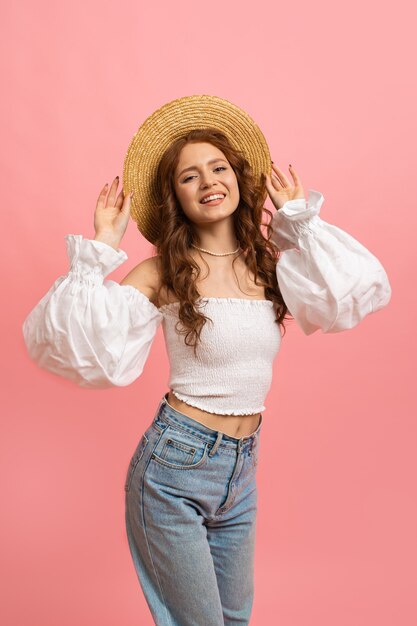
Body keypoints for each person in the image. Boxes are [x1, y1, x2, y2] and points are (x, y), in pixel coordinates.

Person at [22, 95, 392, 626]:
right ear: (175, 197)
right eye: (188, 176)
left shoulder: (271, 265)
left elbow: (356, 292)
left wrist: (299, 222)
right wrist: (102, 244)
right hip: (174, 468)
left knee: (235, 618)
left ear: (240, 179)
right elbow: (76, 342)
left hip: (242, 469)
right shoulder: (164, 273)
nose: (208, 181)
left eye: (218, 167)